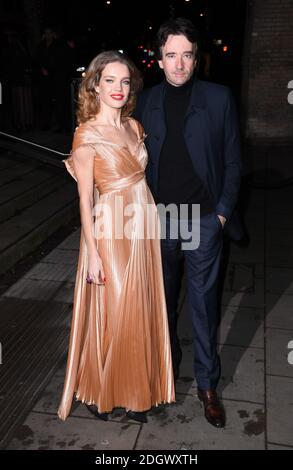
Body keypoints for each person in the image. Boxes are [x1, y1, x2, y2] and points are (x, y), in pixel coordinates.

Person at [135, 18, 242, 428]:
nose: (179, 63)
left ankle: (207, 386)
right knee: (159, 306)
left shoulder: (220, 99)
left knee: (202, 307)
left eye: (186, 55)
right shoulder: (145, 102)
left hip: (202, 221)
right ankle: (164, 377)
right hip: (159, 220)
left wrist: (220, 213)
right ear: (159, 60)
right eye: (171, 55)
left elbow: (233, 161)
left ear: (196, 59)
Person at [57, 51, 175, 423]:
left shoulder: (135, 127)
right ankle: (100, 387)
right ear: (94, 84)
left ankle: (137, 393)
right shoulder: (86, 133)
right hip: (110, 229)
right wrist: (92, 252)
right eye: (110, 80)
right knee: (114, 307)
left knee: (140, 307)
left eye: (125, 81)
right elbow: (85, 199)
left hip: (142, 225)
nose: (118, 88)